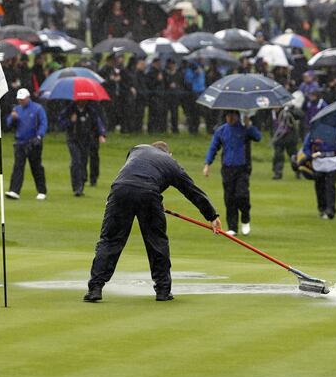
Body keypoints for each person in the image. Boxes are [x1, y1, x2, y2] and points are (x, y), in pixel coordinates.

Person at [84, 142, 221, 302]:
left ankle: (95, 288)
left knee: (110, 240)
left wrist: (154, 194)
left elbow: (136, 172)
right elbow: (192, 191)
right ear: (168, 154)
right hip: (148, 193)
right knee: (156, 242)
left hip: (120, 190)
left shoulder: (137, 149)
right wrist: (212, 216)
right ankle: (163, 291)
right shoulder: (171, 163)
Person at [203, 110, 262, 236]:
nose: (230, 118)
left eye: (232, 115)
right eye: (228, 115)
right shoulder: (221, 130)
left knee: (242, 195)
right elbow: (213, 147)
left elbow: (258, 137)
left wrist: (249, 125)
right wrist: (208, 164)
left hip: (243, 168)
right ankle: (233, 227)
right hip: (227, 168)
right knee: (229, 198)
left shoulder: (245, 129)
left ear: (237, 116)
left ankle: (245, 219)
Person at [5, 88, 48, 200]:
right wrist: (12, 118)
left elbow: (43, 123)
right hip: (20, 142)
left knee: (36, 167)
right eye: (19, 100)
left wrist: (39, 136)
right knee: (18, 167)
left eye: (22, 99)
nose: (21, 101)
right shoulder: (17, 109)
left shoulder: (38, 109)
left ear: (28, 98)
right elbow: (8, 124)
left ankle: (42, 191)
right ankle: (14, 190)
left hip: (34, 142)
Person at [58, 100, 107, 196]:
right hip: (73, 139)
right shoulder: (69, 109)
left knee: (83, 161)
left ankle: (81, 183)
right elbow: (61, 123)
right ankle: (77, 187)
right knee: (76, 161)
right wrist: (70, 121)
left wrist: (101, 134)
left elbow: (97, 122)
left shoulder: (90, 109)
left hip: (85, 140)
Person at [302, 133, 336, 219]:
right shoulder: (312, 134)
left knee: (330, 185)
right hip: (318, 162)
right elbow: (306, 148)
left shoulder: (335, 133)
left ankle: (331, 209)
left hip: (332, 162)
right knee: (320, 185)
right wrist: (311, 155)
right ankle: (322, 208)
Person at [271, 103, 303, 179]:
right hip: (278, 138)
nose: (275, 108)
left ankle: (298, 171)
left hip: (290, 138)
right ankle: (277, 173)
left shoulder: (288, 111)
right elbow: (272, 126)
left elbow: (300, 115)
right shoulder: (273, 113)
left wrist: (292, 109)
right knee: (278, 156)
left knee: (293, 156)